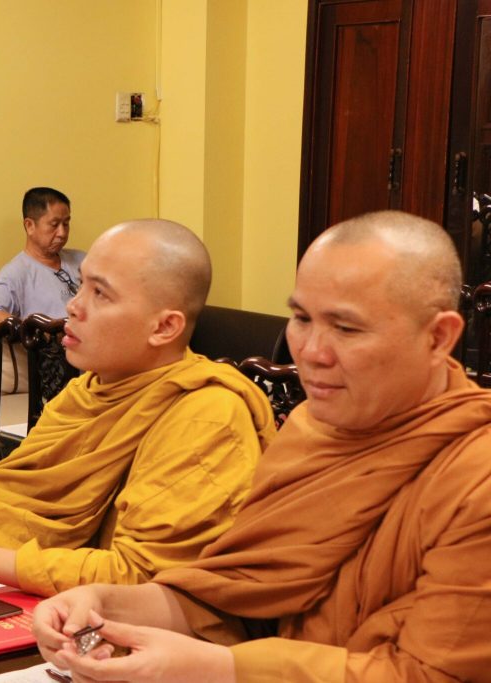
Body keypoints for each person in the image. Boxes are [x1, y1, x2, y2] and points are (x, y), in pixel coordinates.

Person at [32, 211, 491, 682]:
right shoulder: (309, 430)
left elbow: (432, 675)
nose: (311, 352)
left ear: (439, 337)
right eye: (301, 318)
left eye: (346, 329)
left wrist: (220, 669)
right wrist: (102, 604)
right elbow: (236, 595)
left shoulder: (476, 478)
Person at [0, 220, 275, 596]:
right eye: (80, 286)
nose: (72, 307)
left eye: (101, 294)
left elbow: (143, 579)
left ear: (165, 327)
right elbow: (7, 499)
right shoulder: (86, 393)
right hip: (60, 617)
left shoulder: (207, 416)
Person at [0, 187, 84, 335]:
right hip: (59, 346)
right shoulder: (15, 273)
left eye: (66, 224)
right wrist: (37, 333)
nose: (62, 233)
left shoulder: (83, 260)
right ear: (30, 226)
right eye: (54, 225)